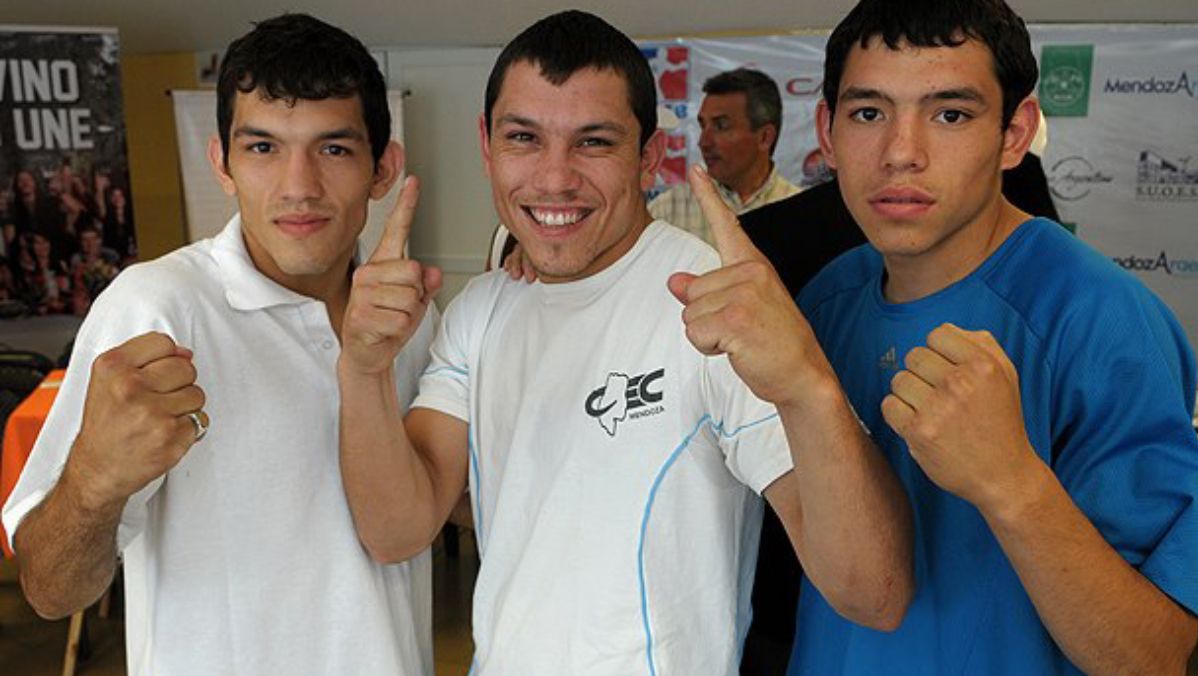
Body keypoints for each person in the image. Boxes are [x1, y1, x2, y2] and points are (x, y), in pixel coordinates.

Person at [337, 10, 912, 674]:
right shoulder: (481, 310)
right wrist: (364, 368)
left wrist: (807, 382)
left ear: (649, 155)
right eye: (524, 137)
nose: (554, 179)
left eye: (594, 142)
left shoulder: (711, 306)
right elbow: (395, 531)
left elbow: (875, 594)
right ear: (487, 143)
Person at [3, 14, 435, 676]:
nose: (298, 186)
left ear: (384, 168)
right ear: (222, 164)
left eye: (334, 149)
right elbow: (51, 590)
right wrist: (94, 481)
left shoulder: (411, 316)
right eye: (262, 148)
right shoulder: (156, 307)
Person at [788, 0, 1198, 673]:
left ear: (1015, 134)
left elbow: (1154, 657)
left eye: (951, 114)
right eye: (869, 112)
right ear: (827, 132)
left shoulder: (1099, 319)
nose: (901, 153)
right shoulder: (827, 301)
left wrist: (1013, 485)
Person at [649, 67, 800, 246]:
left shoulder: (803, 213)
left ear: (764, 137)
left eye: (721, 126)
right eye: (703, 125)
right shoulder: (666, 212)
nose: (704, 142)